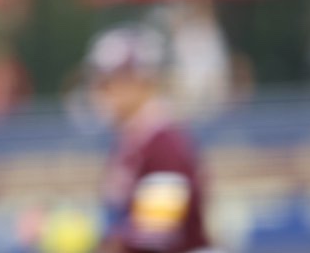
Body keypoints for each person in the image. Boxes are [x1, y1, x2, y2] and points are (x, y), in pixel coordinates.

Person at [83, 26, 218, 253]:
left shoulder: (164, 143)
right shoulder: (135, 140)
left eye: (112, 81)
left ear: (144, 81)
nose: (103, 92)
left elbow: (156, 236)